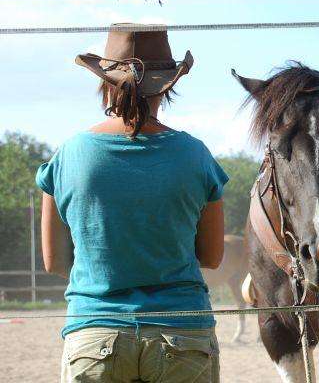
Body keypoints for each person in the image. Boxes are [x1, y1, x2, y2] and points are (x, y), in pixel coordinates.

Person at [36, 24, 227, 382]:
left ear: (104, 80)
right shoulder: (195, 155)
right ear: (168, 85)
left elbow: (54, 261)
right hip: (181, 333)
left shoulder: (68, 154)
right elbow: (212, 256)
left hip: (94, 334)